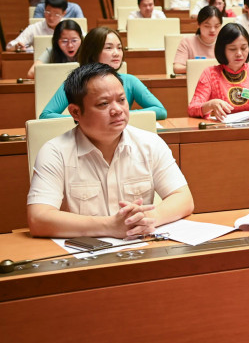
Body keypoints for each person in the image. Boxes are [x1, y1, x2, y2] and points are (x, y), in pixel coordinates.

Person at [27, 63, 193, 239]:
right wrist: (110, 227)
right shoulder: (55, 152)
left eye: (121, 100)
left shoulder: (150, 143)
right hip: (84, 256)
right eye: (104, 103)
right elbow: (38, 218)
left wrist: (147, 218)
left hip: (142, 253)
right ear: (75, 112)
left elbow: (183, 198)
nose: (117, 110)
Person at [40, 27, 167, 120]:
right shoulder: (77, 82)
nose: (117, 53)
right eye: (109, 48)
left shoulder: (129, 80)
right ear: (93, 52)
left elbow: (160, 111)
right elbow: (46, 116)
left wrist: (121, 114)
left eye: (119, 47)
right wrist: (85, 118)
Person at [188, 24, 249, 120]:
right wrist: (210, 105)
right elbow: (192, 108)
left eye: (243, 48)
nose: (239, 54)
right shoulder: (210, 73)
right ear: (222, 50)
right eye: (232, 49)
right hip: (220, 129)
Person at [172, 6, 223, 74]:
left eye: (216, 26)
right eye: (207, 26)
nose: (212, 30)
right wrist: (199, 68)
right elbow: (177, 68)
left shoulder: (225, 43)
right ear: (198, 24)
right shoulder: (187, 41)